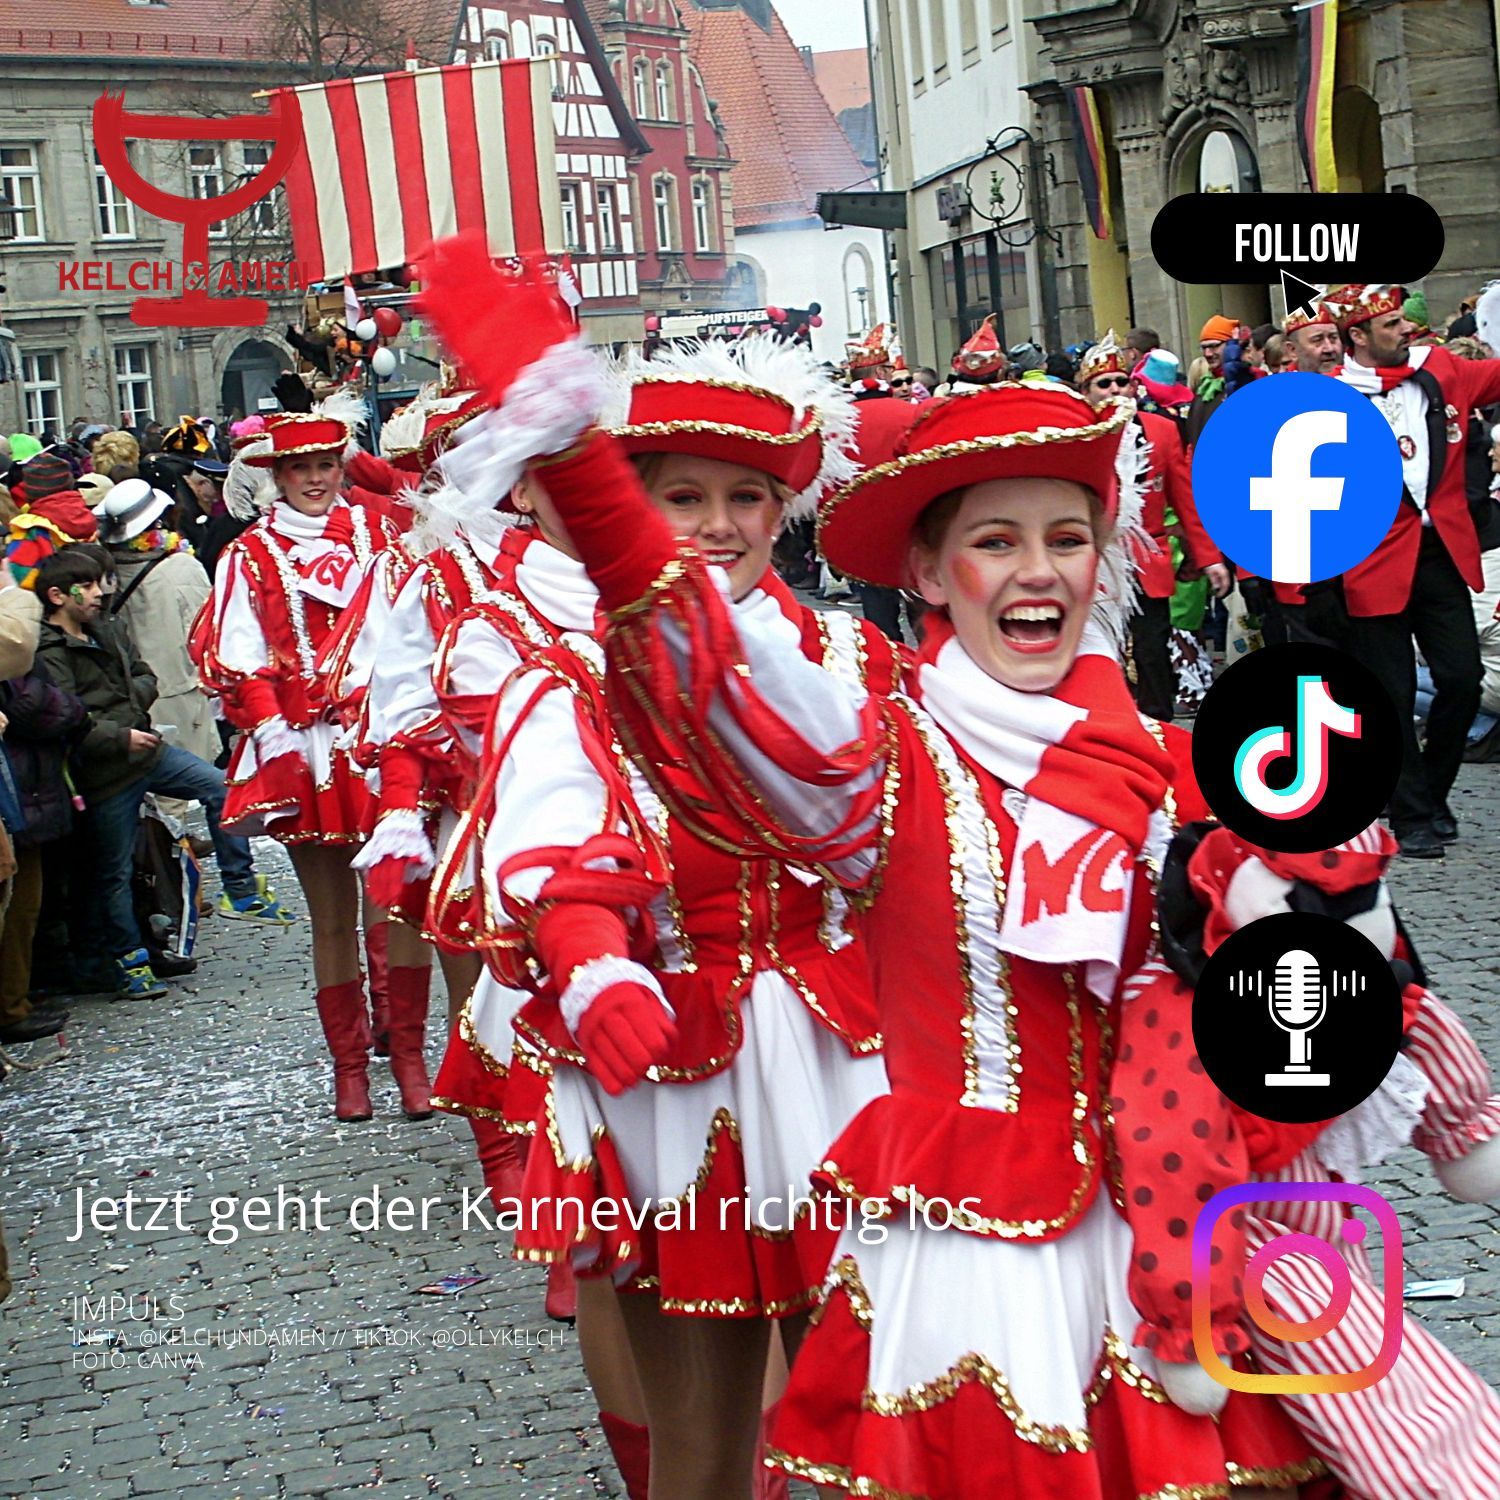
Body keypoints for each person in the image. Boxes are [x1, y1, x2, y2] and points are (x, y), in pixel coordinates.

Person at [417, 238, 1320, 1500]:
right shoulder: (881, 747)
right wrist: (590, 955)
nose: (1037, 569)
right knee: (714, 1396)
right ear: (930, 575)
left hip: (1065, 1170)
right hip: (775, 1096)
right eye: (683, 499)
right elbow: (704, 699)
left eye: (1069, 537)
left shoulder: (1155, 754)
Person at [420, 255, 903, 1498]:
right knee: (703, 1445)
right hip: (671, 1075)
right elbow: (548, 845)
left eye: (748, 496)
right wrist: (586, 957)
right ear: (626, 507)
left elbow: (913, 824)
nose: (721, 524)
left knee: (873, 1416)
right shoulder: (570, 675)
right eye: (682, 495)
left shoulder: (846, 654)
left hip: (846, 1062)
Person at [195, 410, 432, 1122]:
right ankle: (350, 1068)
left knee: (396, 911)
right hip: (303, 751)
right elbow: (236, 649)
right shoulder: (250, 555)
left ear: (341, 468)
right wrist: (271, 731)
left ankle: (412, 1058)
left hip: (379, 743)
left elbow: (411, 629)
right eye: (300, 470)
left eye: (326, 467)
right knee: (329, 920)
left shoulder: (382, 537)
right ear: (277, 476)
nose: (315, 481)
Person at [35, 548, 289, 1000]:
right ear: (58, 596)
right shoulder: (50, 651)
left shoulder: (105, 627)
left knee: (220, 787)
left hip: (147, 749)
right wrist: (119, 735)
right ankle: (130, 961)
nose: (99, 593)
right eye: (88, 586)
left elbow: (143, 673)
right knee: (113, 870)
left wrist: (135, 708)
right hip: (106, 772)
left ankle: (239, 886)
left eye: (99, 583)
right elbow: (69, 717)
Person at [1328, 283, 1500, 857]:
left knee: (1461, 679)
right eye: (1392, 324)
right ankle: (1413, 813)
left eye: (1404, 320)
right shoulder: (1328, 399)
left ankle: (1430, 789)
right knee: (1391, 695)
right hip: (1371, 562)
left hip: (1441, 554)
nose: (1407, 330)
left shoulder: (1444, 369)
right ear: (1358, 337)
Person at [1076, 331, 1227, 721]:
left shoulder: (1160, 430)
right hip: (1092, 562)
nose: (1114, 390)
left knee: (1152, 648)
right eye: (1103, 383)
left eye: (1121, 381)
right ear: (1086, 391)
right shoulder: (1072, 435)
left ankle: (1158, 726)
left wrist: (1209, 558)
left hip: (1148, 559)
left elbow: (1186, 500)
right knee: (1098, 650)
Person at [92, 479, 219, 767]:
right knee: (191, 786)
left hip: (128, 697)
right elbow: (208, 632)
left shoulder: (101, 569)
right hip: (180, 693)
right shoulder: (181, 566)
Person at [1185, 313, 1238, 444]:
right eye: (1204, 347)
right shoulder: (1202, 389)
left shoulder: (1243, 382)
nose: (1207, 354)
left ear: (1230, 344)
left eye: (1214, 346)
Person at [1283, 303, 1343, 375]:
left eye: (1333, 338)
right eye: (1317, 340)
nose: (1329, 349)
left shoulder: (1356, 381)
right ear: (1292, 350)